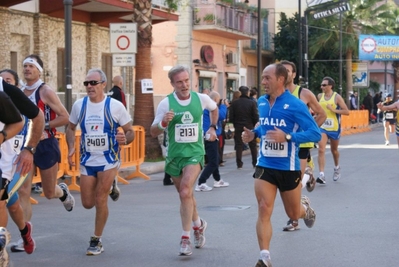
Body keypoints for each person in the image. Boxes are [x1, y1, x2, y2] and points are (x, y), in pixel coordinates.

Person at [242, 63, 321, 267]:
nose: (263, 82)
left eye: (267, 78)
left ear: (280, 79)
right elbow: (264, 129)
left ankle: (305, 209)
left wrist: (287, 136)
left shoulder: (295, 105)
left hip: (288, 168)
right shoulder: (261, 102)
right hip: (265, 164)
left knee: (293, 214)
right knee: (263, 208)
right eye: (262, 77)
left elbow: (314, 133)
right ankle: (265, 256)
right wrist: (253, 134)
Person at [150, 65, 218, 256]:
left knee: (186, 190)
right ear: (172, 84)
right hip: (174, 157)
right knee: (185, 195)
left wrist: (212, 128)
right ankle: (199, 224)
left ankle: (185, 238)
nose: (184, 85)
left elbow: (215, 109)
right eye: (179, 82)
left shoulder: (200, 98)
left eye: (187, 80)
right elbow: (153, 130)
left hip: (194, 154)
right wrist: (163, 123)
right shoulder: (166, 104)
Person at [66, 68, 134, 255]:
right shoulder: (80, 105)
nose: (89, 86)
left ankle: (96, 240)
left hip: (108, 159)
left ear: (103, 84)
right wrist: (71, 146)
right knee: (87, 203)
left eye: (93, 83)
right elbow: (70, 128)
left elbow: (130, 131)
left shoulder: (115, 106)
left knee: (100, 198)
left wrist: (125, 139)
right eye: (87, 83)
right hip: (88, 159)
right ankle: (112, 186)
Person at [9, 55, 73, 252]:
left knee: (48, 192)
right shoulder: (18, 92)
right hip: (26, 147)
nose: (27, 69)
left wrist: (40, 125)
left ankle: (61, 191)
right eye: (25, 66)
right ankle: (24, 237)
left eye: (31, 66)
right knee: (23, 190)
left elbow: (65, 117)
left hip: (45, 144)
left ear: (39, 70)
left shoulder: (45, 91)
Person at [0, 70, 45, 254]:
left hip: (13, 161)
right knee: (11, 202)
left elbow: (39, 117)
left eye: (8, 79)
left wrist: (29, 149)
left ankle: (1, 253)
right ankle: (25, 231)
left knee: (2, 201)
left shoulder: (8, 92)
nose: (5, 80)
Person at [281, 60, 327, 231]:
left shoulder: (304, 93)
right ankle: (308, 178)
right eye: (282, 70)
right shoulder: (276, 93)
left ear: (293, 74)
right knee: (286, 183)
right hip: (284, 144)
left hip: (301, 143)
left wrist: (309, 130)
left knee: (295, 183)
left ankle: (294, 220)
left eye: (288, 71)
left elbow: (321, 114)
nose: (285, 73)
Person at [0, 90, 24, 265]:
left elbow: (18, 122)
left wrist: (30, 150)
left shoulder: (3, 96)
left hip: (11, 164)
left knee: (3, 203)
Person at [316, 77, 349, 184]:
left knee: (334, 151)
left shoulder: (336, 97)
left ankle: (337, 167)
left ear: (330, 86)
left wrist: (333, 110)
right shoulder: (319, 96)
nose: (322, 87)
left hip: (334, 128)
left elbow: (346, 111)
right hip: (322, 127)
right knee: (321, 149)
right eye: (321, 85)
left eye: (324, 85)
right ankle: (321, 175)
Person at [195, 91, 229, 191]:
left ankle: (218, 180)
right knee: (214, 161)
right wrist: (223, 106)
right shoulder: (211, 107)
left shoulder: (204, 106)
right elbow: (221, 115)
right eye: (218, 100)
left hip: (206, 135)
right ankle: (201, 182)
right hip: (210, 136)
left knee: (215, 158)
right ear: (214, 100)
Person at [229, 86, 259, 169]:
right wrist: (254, 125)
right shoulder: (251, 103)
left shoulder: (234, 103)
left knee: (239, 144)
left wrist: (235, 124)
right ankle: (255, 162)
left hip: (238, 126)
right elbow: (255, 116)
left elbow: (231, 117)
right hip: (249, 125)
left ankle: (239, 164)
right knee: (252, 145)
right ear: (247, 93)